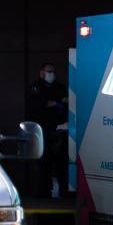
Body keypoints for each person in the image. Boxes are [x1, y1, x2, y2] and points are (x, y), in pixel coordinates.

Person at [28, 63, 69, 198]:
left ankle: (64, 193)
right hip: (42, 132)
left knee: (61, 164)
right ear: (42, 73)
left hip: (59, 131)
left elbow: (67, 101)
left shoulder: (60, 87)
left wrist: (55, 103)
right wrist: (57, 102)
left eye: (53, 71)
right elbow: (38, 104)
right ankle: (43, 194)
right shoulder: (35, 87)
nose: (51, 74)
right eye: (49, 71)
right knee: (44, 165)